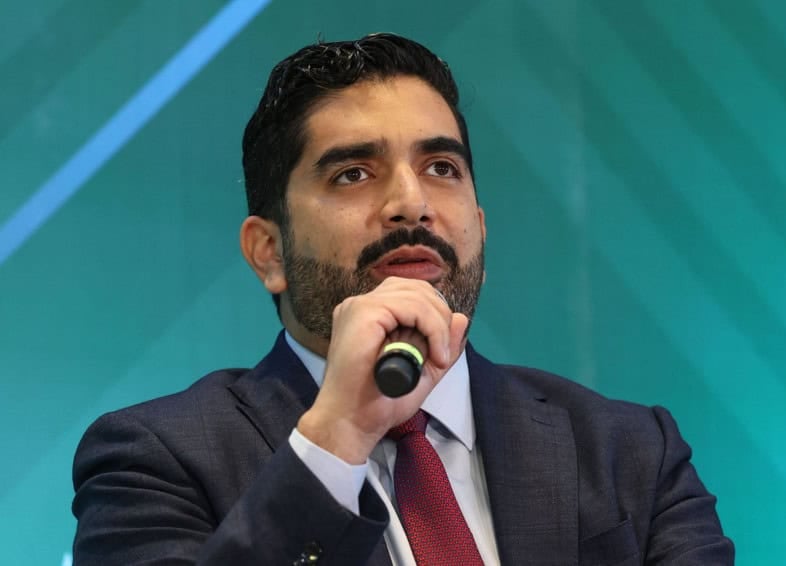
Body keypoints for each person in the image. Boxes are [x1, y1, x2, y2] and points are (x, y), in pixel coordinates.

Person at [71, 33, 734, 565]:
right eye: (354, 173)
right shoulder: (153, 460)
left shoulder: (629, 451)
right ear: (267, 251)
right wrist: (338, 439)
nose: (410, 203)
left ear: (478, 221)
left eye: (441, 168)